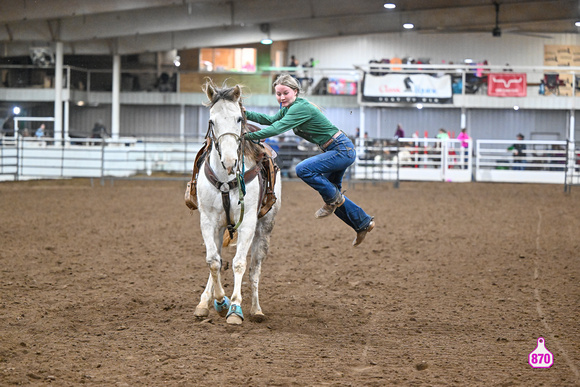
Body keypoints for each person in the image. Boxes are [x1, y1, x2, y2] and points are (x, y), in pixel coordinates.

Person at [243, 74, 375, 246]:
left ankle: (335, 201)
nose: (281, 97)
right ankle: (362, 223)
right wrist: (246, 114)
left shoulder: (299, 108)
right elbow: (270, 120)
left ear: (295, 92)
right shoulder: (289, 108)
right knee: (333, 195)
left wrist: (247, 136)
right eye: (278, 94)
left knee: (303, 169)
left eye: (285, 93)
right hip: (337, 149)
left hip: (341, 150)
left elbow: (276, 128)